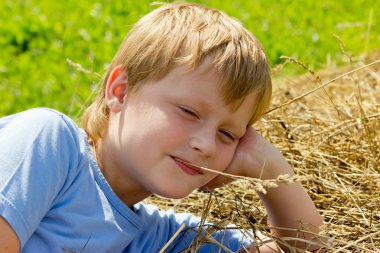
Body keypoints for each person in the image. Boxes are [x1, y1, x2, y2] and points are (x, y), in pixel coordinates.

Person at [0, 2, 324, 252]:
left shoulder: (156, 236)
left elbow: (301, 248)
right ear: (121, 91)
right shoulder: (49, 142)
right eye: (188, 112)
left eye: (228, 134)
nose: (207, 146)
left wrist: (268, 168)